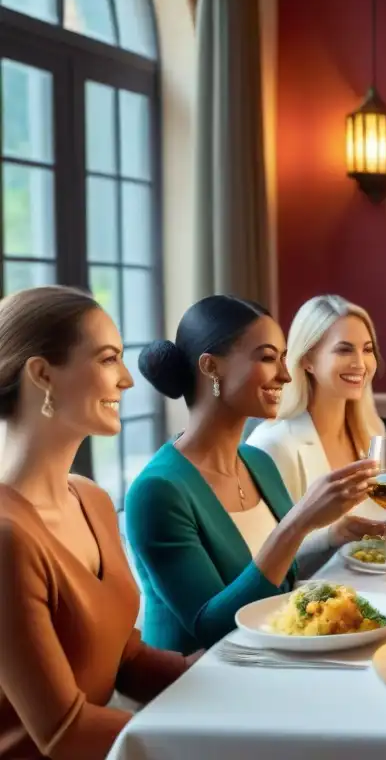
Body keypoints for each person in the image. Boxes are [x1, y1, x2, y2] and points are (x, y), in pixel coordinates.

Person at [124, 295, 378, 655]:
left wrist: (329, 534)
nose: (286, 375)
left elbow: (283, 587)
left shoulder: (259, 463)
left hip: (269, 661)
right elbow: (213, 629)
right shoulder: (158, 492)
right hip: (196, 685)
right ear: (211, 367)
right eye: (267, 357)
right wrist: (299, 522)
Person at [0, 286, 193, 760]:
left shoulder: (92, 499)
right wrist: (209, 741)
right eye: (109, 359)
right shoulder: (6, 536)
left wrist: (226, 674)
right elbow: (63, 733)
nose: (127, 379)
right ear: (42, 375)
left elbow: (123, 659)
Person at [247, 295, 386, 568]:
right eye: (344, 350)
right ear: (307, 360)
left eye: (367, 349)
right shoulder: (271, 446)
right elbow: (257, 561)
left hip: (374, 590)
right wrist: (330, 537)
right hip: (306, 602)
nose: (360, 363)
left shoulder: (372, 430)